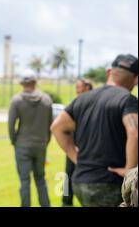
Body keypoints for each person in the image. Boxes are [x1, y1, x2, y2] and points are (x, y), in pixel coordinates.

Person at [52, 54, 138, 207]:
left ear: (109, 73)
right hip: (111, 183)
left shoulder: (82, 99)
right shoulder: (127, 100)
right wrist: (130, 172)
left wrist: (77, 159)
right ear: (135, 78)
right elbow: (135, 133)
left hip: (81, 182)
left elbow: (57, 127)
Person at [8, 76, 53, 207]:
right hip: (41, 144)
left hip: (22, 144)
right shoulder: (46, 100)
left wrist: (14, 140)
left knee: (24, 181)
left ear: (23, 84)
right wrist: (46, 141)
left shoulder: (16, 100)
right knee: (40, 179)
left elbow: (11, 125)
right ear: (35, 83)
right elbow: (50, 124)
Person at [62, 78, 93, 207]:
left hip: (91, 148)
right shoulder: (75, 104)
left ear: (87, 88)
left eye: (78, 87)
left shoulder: (94, 104)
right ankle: (66, 203)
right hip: (74, 147)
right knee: (68, 175)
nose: (77, 90)